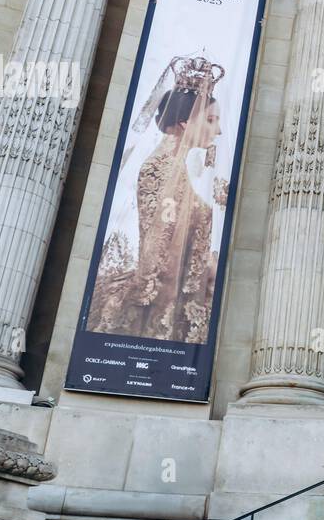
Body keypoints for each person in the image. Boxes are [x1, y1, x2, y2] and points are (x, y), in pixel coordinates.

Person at [89, 80, 228, 343]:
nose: (219, 130)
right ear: (185, 122)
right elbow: (158, 247)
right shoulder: (162, 169)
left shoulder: (180, 167)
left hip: (187, 289)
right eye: (210, 120)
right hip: (166, 296)